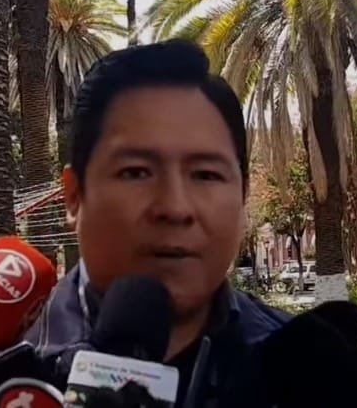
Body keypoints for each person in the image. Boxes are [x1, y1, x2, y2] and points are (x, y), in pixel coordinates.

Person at [25, 40, 291, 406]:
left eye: (206, 175)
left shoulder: (304, 371)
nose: (175, 207)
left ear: (243, 195)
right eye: (136, 172)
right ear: (73, 196)